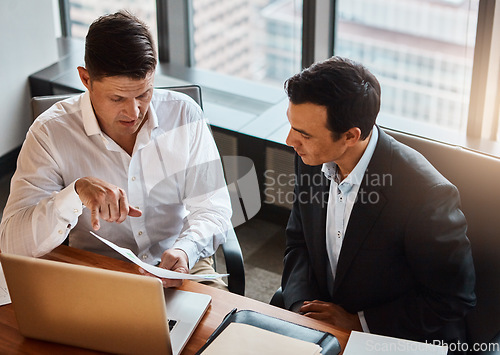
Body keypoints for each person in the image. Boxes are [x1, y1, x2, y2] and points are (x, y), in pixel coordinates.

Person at [0, 11, 232, 289]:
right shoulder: (50, 131)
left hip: (182, 265)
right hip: (96, 271)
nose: (134, 112)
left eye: (144, 94)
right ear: (85, 80)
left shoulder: (184, 115)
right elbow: (12, 244)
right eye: (117, 98)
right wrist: (73, 195)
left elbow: (213, 210)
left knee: (221, 330)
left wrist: (187, 249)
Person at [280, 56, 476, 352]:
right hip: (324, 322)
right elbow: (299, 241)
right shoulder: (311, 157)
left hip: (398, 334)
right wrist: (301, 307)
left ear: (350, 135)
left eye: (304, 134)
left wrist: (359, 323)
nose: (289, 140)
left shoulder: (426, 194)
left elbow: (451, 300)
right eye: (292, 126)